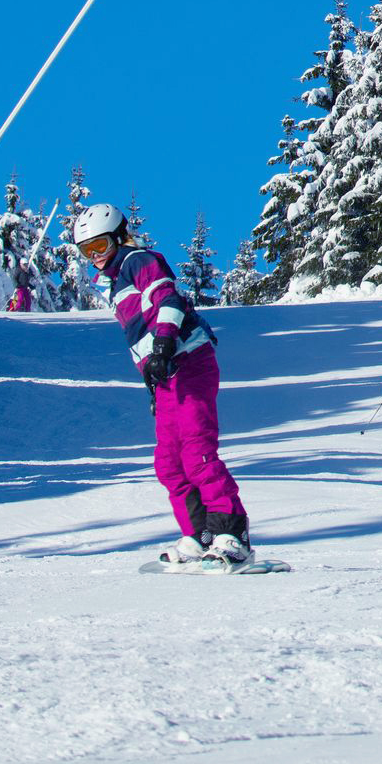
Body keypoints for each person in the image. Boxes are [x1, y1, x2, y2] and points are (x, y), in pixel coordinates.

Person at [73, 203, 256, 566]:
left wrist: (164, 342)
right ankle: (200, 535)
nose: (95, 257)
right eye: (87, 250)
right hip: (165, 375)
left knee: (197, 452)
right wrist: (152, 378)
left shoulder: (136, 261)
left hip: (188, 360)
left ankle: (233, 534)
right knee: (168, 462)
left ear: (118, 237)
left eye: (101, 246)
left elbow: (167, 300)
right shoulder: (114, 280)